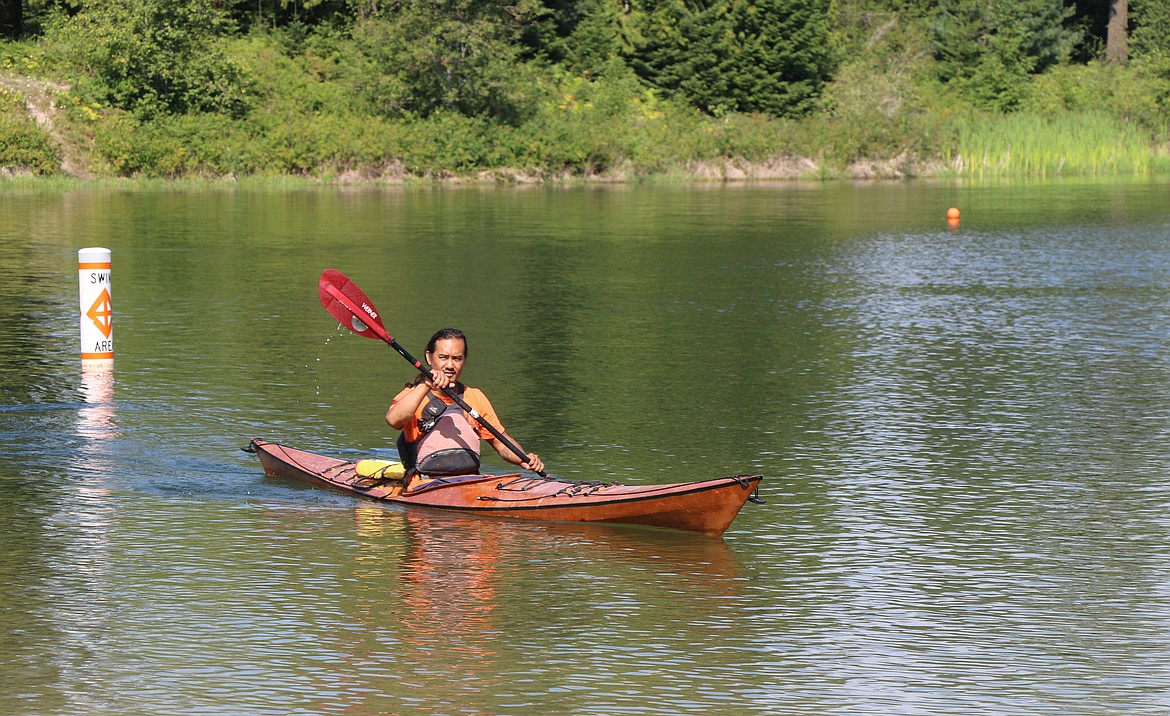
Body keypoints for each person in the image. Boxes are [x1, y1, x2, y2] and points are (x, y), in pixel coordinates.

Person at [386, 328, 544, 480]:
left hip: (470, 482)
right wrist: (426, 385)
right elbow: (393, 420)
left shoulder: (474, 396)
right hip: (425, 485)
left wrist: (523, 459)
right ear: (429, 357)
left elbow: (501, 443)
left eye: (457, 358)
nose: (449, 365)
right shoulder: (413, 395)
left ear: (464, 360)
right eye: (443, 357)